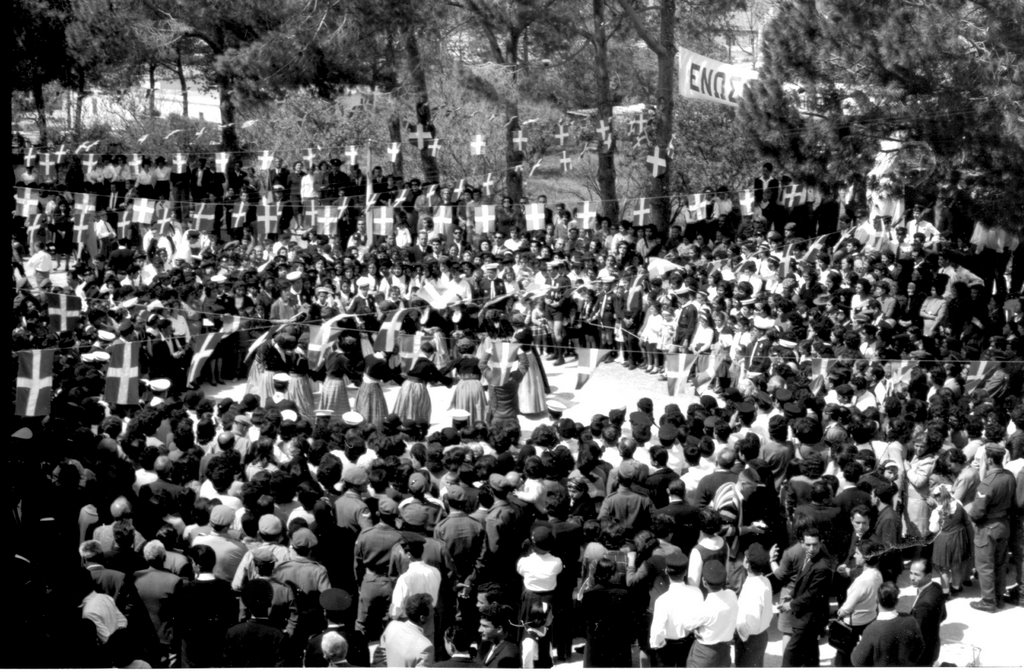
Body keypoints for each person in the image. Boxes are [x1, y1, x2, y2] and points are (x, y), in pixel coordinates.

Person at [968, 443, 1017, 612]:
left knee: (985, 565)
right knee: (1000, 563)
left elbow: (977, 512)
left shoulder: (988, 482)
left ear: (988, 459)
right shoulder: (1009, 476)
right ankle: (999, 596)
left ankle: (988, 601)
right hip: (1004, 524)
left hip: (988, 527)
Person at [780, 527, 832, 667]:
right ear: (802, 543)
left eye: (815, 544)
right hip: (806, 617)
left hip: (808, 619)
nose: (811, 548)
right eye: (808, 544)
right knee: (810, 656)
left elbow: (812, 594)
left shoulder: (822, 566)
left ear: (820, 543)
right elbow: (801, 582)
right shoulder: (807, 557)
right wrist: (791, 595)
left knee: (790, 658)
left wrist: (790, 605)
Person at [833, 541, 884, 666]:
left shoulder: (861, 581)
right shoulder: (878, 574)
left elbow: (847, 608)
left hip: (853, 622)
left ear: (866, 557)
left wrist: (838, 613)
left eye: (857, 553)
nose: (855, 556)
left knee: (843, 654)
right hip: (870, 617)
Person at [850, 582, 925, 667]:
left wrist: (857, 647)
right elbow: (920, 647)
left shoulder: (871, 630)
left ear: (877, 600)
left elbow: (858, 661)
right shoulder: (910, 620)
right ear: (897, 601)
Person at [581, 557, 633, 668]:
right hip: (619, 647)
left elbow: (583, 625)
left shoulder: (589, 595)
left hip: (595, 647)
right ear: (613, 575)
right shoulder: (624, 595)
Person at [223, 581, 289, 667]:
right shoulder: (278, 635)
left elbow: (227, 664)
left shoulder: (233, 632)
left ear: (247, 604)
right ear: (269, 603)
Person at [733, 544, 774, 667]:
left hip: (749, 639)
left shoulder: (752, 589)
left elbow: (751, 623)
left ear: (746, 563)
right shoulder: (765, 581)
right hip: (761, 635)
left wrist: (740, 635)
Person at [909, 558, 947, 666]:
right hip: (933, 647)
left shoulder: (923, 606)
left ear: (928, 576)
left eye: (916, 574)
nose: (912, 578)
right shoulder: (936, 587)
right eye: (911, 573)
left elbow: (916, 635)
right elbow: (943, 615)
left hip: (922, 656)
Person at [381, 593, 435, 667]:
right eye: (432, 611)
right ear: (422, 618)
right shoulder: (426, 647)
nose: (434, 613)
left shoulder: (392, 626)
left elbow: (381, 654)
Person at [477, 602, 520, 668]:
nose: (479, 630)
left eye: (485, 626)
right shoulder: (489, 645)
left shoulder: (509, 655)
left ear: (499, 629)